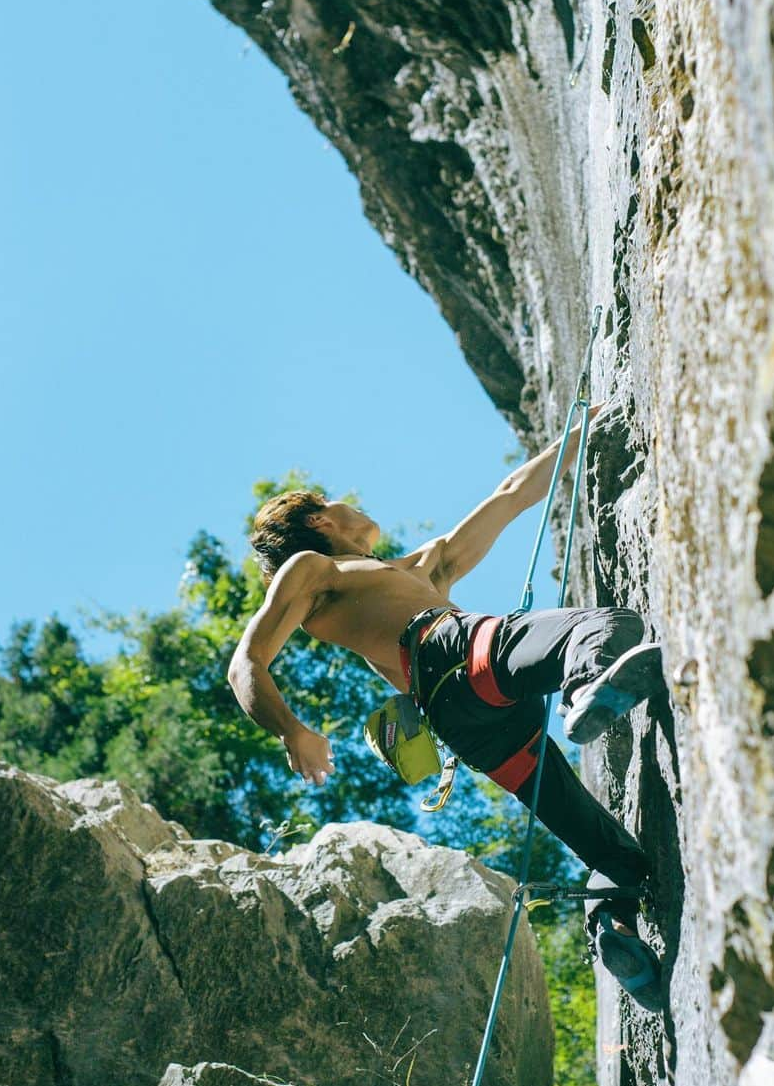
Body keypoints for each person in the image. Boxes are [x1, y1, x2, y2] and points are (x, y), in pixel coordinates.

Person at [227, 413, 666, 1010]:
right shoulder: (313, 570)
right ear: (320, 520)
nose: (349, 503)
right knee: (608, 626)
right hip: (454, 654)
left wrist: (578, 431)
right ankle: (588, 687)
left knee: (609, 853)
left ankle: (613, 932)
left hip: (475, 730)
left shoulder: (416, 569)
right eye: (333, 501)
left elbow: (511, 497)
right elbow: (246, 661)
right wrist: (291, 730)